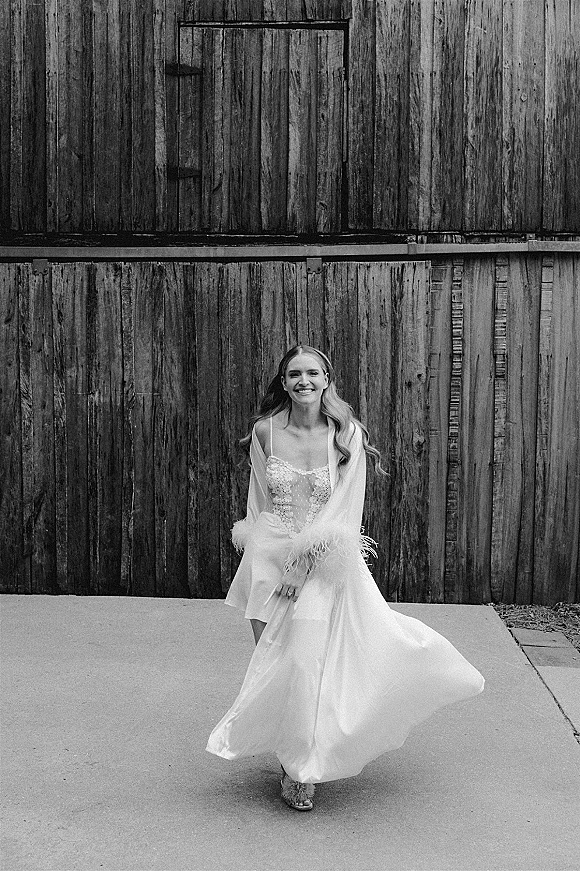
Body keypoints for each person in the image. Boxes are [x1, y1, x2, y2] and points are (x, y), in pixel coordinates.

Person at [206, 345, 484, 811]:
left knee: (305, 662)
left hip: (320, 560)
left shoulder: (346, 434)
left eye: (313, 373)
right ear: (284, 381)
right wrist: (258, 558)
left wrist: (302, 563)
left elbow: (344, 511)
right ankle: (291, 757)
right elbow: (258, 499)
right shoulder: (265, 431)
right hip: (268, 559)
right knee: (274, 663)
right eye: (294, 374)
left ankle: (302, 770)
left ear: (327, 379)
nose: (304, 381)